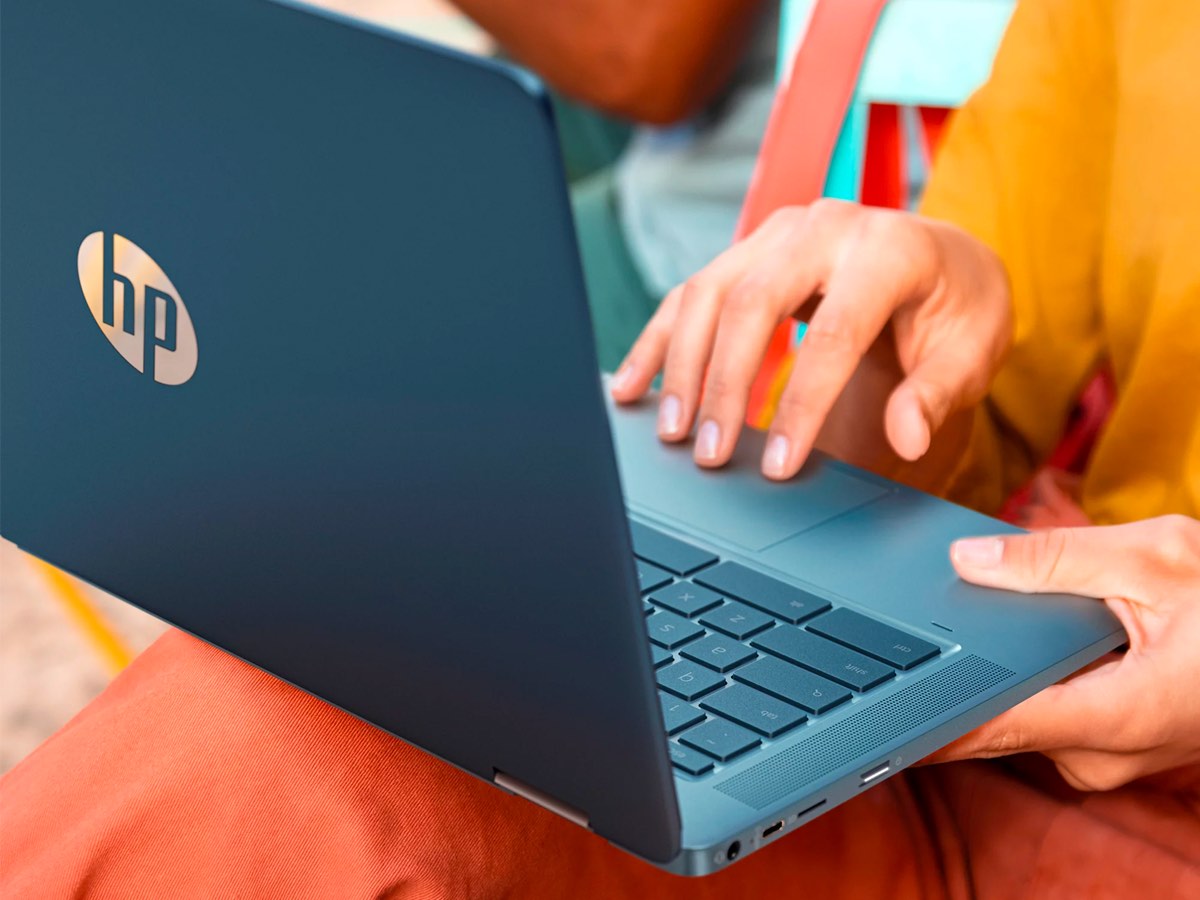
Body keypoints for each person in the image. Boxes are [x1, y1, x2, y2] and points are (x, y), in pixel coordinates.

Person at [3, 0, 1199, 896]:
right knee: (274, 740)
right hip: (972, 752)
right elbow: (957, 455)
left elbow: (646, 53)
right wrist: (903, 341)